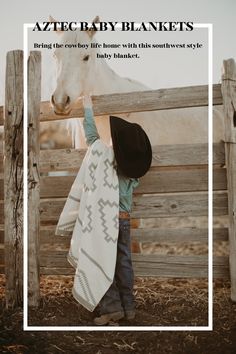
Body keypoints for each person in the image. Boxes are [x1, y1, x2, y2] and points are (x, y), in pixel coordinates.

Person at [82, 94, 152, 325]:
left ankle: (112, 308)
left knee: (105, 262)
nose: (110, 140)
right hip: (124, 220)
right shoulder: (132, 174)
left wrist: (88, 108)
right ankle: (129, 306)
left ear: (117, 149)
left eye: (114, 140)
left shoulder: (106, 159)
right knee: (124, 261)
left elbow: (92, 137)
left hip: (106, 221)